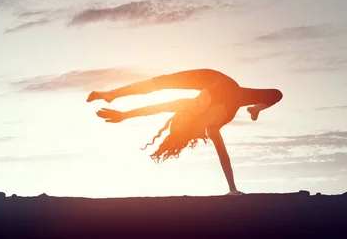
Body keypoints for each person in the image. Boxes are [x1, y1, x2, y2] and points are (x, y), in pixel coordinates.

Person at [86, 68, 283, 196]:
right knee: (275, 94)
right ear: (189, 128)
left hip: (210, 78)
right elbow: (224, 156)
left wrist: (125, 115)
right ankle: (255, 109)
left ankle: (112, 94)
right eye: (181, 121)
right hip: (232, 92)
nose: (180, 115)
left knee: (163, 82)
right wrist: (232, 189)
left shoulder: (190, 108)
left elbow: (158, 107)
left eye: (179, 118)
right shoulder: (213, 128)